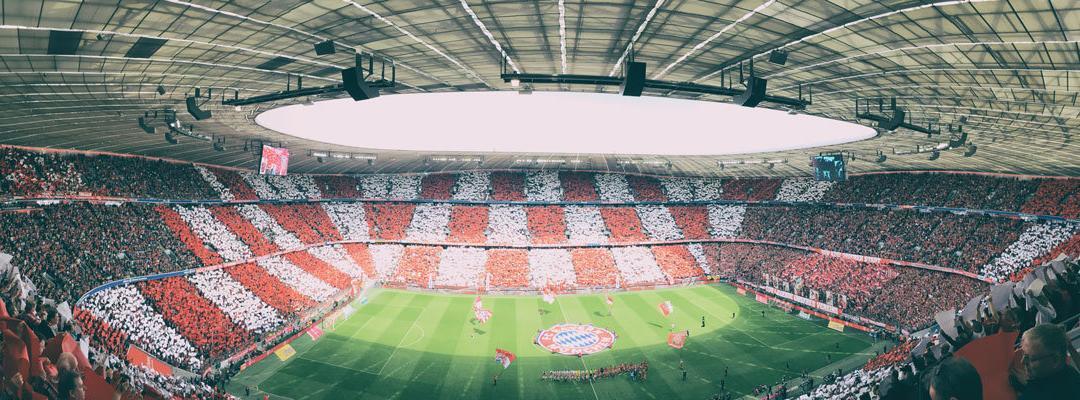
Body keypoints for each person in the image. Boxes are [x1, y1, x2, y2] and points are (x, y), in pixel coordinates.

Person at [1014, 324, 1080, 399]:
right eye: (1023, 354)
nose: (1022, 361)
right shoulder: (1070, 373)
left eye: (1031, 358)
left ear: (1055, 359)